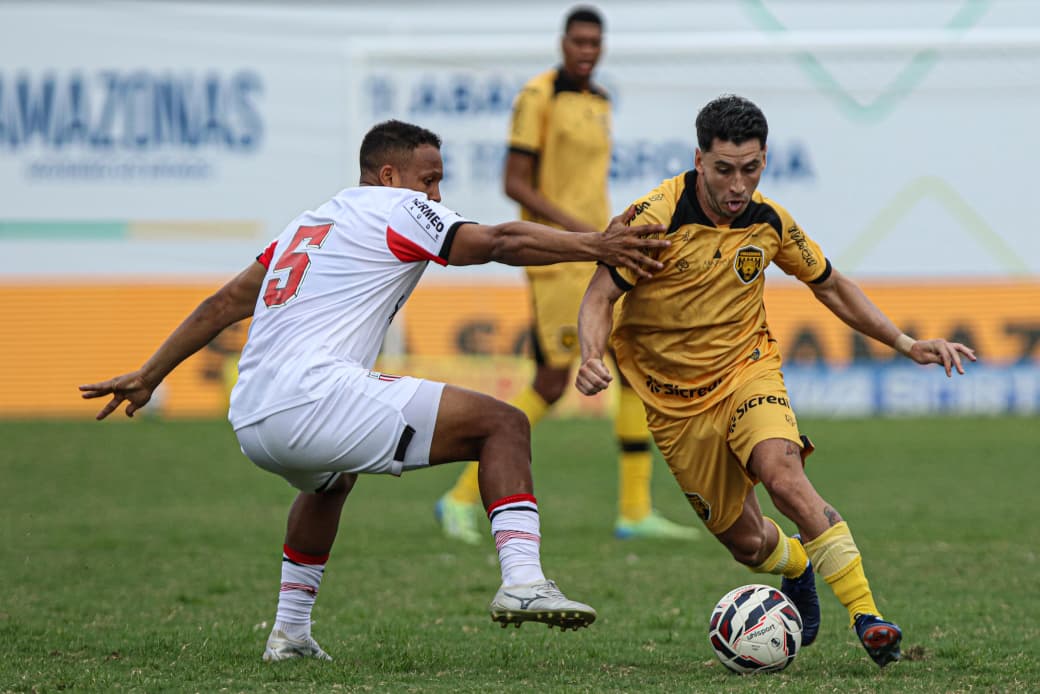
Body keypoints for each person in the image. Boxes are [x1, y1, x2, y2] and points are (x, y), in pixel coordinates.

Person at [80, 119, 671, 662]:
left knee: (332, 481)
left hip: (254, 416)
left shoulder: (307, 224)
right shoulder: (395, 207)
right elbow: (495, 242)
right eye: (429, 180)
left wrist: (150, 374)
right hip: (313, 397)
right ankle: (522, 582)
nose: (436, 196)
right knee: (504, 425)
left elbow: (225, 303)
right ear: (389, 176)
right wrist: (596, 244)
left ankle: (289, 633)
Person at [575, 94, 976, 668]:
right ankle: (796, 564)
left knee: (784, 476)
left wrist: (907, 344)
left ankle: (869, 617)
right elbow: (599, 294)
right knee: (748, 543)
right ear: (698, 160)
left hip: (747, 372)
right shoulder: (656, 219)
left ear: (764, 160)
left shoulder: (770, 223)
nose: (738, 184)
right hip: (675, 407)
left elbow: (831, 286)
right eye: (724, 169)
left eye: (751, 167)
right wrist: (591, 353)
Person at [434, 5, 698, 545]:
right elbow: (515, 183)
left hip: (600, 248)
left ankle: (634, 510)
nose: (586, 50)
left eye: (594, 43)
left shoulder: (599, 101)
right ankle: (458, 497)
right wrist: (582, 234)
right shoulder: (539, 97)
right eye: (578, 41)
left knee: (628, 365)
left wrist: (606, 237)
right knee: (554, 380)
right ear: (563, 43)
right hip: (559, 257)